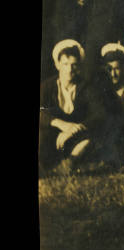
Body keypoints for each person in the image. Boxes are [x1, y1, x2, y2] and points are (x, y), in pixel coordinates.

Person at [39, 40, 96, 173]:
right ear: (57, 65)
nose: (70, 70)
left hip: (76, 136)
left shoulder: (87, 87)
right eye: (65, 64)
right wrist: (60, 124)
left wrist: (72, 130)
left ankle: (70, 162)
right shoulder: (47, 86)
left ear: (79, 67)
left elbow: (99, 114)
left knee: (93, 137)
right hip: (53, 135)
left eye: (74, 65)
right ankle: (47, 164)